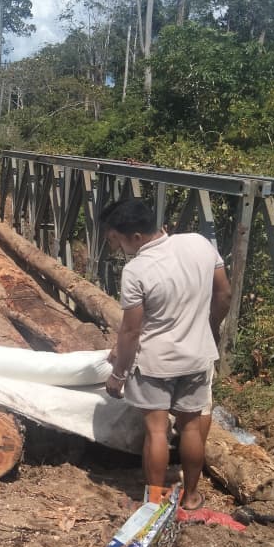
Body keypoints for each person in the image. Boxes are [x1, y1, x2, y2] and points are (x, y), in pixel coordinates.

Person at [101, 197, 231, 512]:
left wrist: (118, 374)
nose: (118, 248)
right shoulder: (199, 243)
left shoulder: (136, 270)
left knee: (157, 431)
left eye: (117, 240)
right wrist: (210, 329)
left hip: (155, 363)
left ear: (135, 237)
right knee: (191, 427)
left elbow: (131, 332)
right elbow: (224, 293)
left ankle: (154, 502)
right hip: (197, 357)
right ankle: (191, 496)